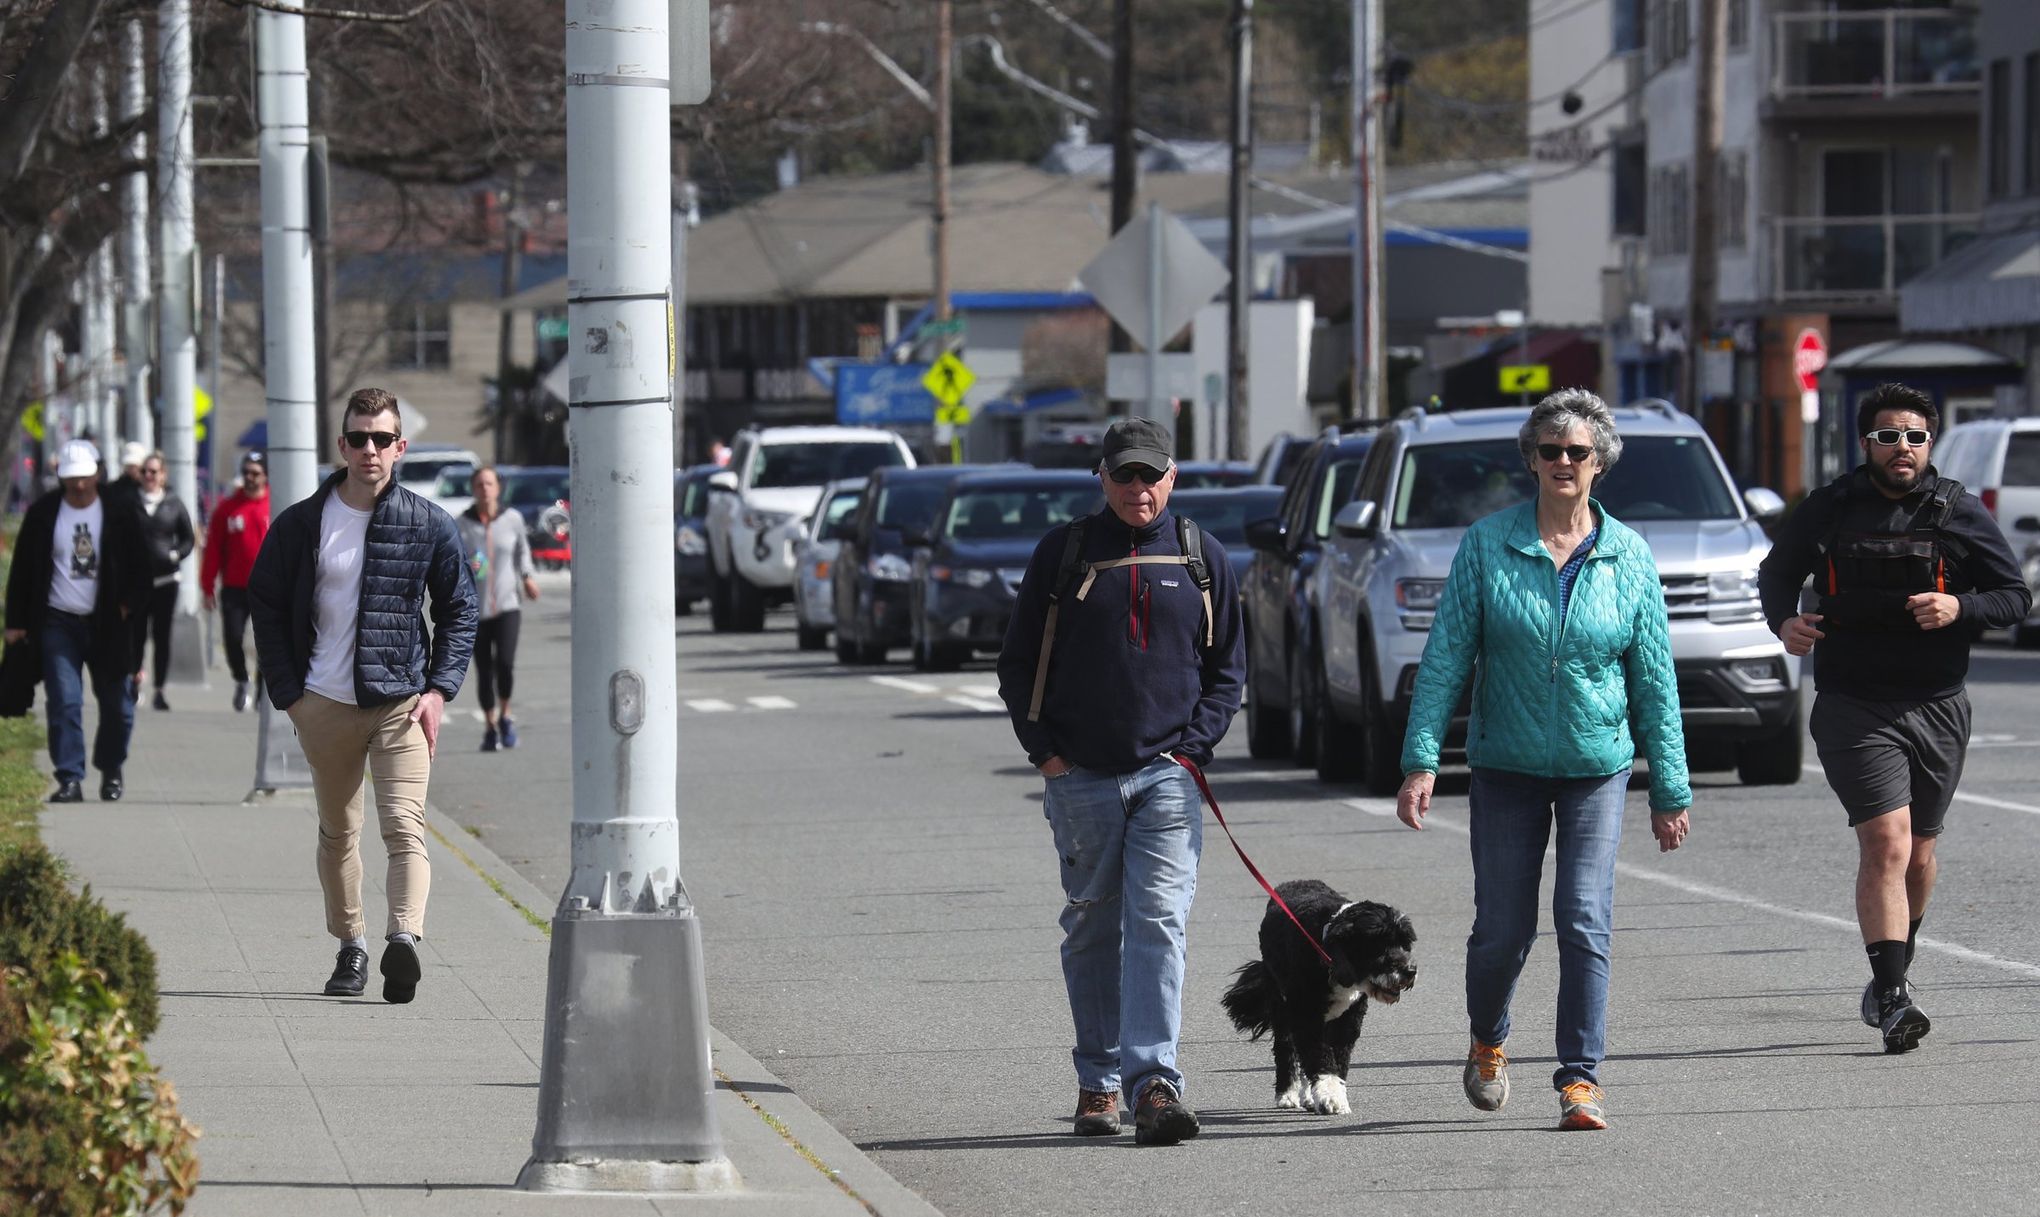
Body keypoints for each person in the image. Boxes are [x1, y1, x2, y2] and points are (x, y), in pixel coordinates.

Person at [1395, 388, 1691, 1133]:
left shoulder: (1628, 555)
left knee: (1585, 916)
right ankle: (1489, 1039)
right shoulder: (1488, 544)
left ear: (1599, 464)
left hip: (1599, 763)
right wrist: (1421, 760)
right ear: (1530, 459)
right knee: (1502, 927)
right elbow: (1444, 660)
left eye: (1577, 451)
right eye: (1550, 450)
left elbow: (1655, 677)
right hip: (1506, 766)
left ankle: (1579, 1078)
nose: (1563, 461)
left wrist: (1670, 786)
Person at [1756, 382, 2028, 1054]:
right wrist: (1783, 620)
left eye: (1913, 435)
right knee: (1887, 841)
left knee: (1922, 852)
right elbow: (1776, 572)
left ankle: (1890, 971)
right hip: (1853, 702)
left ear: (1929, 442)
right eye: (1887, 435)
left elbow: (2015, 595)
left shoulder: (1956, 510)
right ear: (1865, 442)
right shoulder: (1830, 507)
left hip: (1937, 703)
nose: (1901, 447)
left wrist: (1960, 608)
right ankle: (1896, 996)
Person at [995, 416, 1245, 1147]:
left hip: (1168, 777)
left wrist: (1193, 751)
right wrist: (1048, 756)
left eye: (1152, 475)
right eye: (1125, 475)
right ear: (1102, 478)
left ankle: (1154, 1083)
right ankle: (1098, 1082)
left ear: (1173, 476)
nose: (1140, 489)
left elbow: (1228, 671)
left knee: (1160, 924)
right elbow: (1015, 666)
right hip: (1082, 778)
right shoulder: (1064, 551)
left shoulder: (1203, 557)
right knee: (1094, 930)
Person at [247, 388, 478, 1005]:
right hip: (321, 702)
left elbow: (460, 610)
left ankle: (403, 940)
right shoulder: (300, 524)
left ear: (400, 447)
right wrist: (290, 696)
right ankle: (350, 945)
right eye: (358, 438)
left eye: (382, 438)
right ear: (341, 445)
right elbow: (264, 607)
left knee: (405, 826)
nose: (369, 449)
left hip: (400, 700)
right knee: (338, 832)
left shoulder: (427, 522)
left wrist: (438, 691)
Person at [2, 439, 152, 803]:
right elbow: (23, 570)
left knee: (118, 705)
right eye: (71, 479)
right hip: (58, 622)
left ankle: (111, 767)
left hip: (108, 624)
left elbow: (142, 568)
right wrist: (16, 621)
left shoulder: (120, 511)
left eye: (85, 478)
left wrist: (130, 605)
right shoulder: (43, 514)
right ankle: (69, 777)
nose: (79, 486)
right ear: (61, 478)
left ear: (97, 474)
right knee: (65, 701)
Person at [455, 467, 540, 751]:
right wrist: (471, 567)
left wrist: (527, 576)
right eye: (479, 484)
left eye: (489, 483)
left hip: (507, 604)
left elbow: (522, 551)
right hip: (475, 609)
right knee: (484, 670)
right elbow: (458, 562)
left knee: (505, 663)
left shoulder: (512, 519)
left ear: (498, 488)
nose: (484, 489)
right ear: (473, 489)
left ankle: (506, 715)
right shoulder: (463, 524)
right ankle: (490, 726)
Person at [202, 452, 273, 712]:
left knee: (266, 642)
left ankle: (262, 689)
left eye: (255, 473)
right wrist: (206, 585)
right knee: (232, 638)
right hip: (234, 587)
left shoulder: (273, 506)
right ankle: (241, 680)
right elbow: (213, 549)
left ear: (265, 475)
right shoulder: (227, 508)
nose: (250, 478)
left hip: (268, 588)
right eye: (247, 473)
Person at [131, 451, 195, 711]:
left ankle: (159, 689)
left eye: (154, 472)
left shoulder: (173, 503)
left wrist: (176, 553)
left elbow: (188, 538)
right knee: (136, 635)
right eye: (145, 471)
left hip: (166, 580)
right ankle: (134, 682)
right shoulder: (131, 503)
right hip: (137, 581)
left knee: (161, 636)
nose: (149, 476)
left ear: (163, 475)